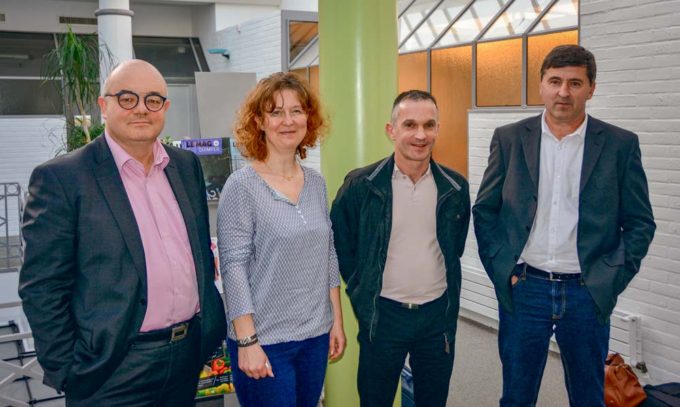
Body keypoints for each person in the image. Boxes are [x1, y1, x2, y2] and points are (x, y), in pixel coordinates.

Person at [18, 59, 227, 406]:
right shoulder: (64, 178)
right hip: (112, 369)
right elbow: (43, 287)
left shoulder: (185, 166)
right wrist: (68, 369)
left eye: (153, 100)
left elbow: (199, 254)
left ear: (166, 107)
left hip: (186, 355)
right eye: (127, 98)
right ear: (104, 105)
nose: (142, 109)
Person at [473, 45, 656, 407]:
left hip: (586, 292)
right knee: (516, 395)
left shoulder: (620, 145)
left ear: (591, 88)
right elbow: (485, 210)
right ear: (540, 85)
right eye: (554, 81)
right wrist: (500, 267)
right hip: (525, 287)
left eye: (575, 83)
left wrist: (610, 277)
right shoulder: (509, 139)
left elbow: (639, 222)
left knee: (588, 396)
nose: (563, 91)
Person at [330, 90, 470, 407]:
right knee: (375, 400)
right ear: (391, 130)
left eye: (429, 125)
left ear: (437, 129)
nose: (420, 135)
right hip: (383, 317)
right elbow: (341, 244)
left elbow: (454, 248)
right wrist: (362, 286)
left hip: (437, 318)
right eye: (410, 125)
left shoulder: (455, 188)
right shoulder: (361, 185)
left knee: (432, 401)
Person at [217, 72, 345, 407]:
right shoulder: (241, 186)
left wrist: (336, 323)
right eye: (276, 112)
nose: (288, 121)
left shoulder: (316, 183)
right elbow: (233, 267)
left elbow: (327, 257)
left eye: (297, 111)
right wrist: (247, 341)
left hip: (315, 337)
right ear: (259, 121)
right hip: (265, 340)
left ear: (308, 118)